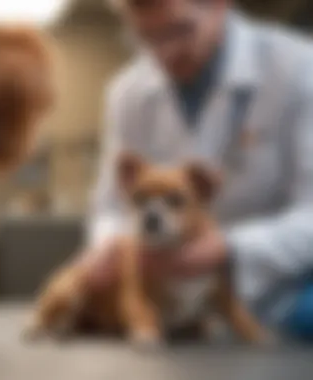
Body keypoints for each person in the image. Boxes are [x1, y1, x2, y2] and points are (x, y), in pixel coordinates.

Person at [87, 0, 313, 342]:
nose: (165, 52)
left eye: (180, 30)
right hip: (175, 310)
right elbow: (111, 206)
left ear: (219, 7)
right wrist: (111, 247)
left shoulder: (297, 67)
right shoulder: (127, 92)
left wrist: (227, 248)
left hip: (284, 290)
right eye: (146, 36)